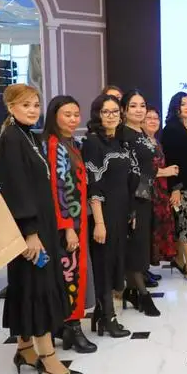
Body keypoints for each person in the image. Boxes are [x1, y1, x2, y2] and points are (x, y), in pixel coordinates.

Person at [0, 83, 81, 374]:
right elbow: (17, 188)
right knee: (38, 285)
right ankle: (48, 357)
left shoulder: (28, 136)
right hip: (29, 228)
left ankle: (24, 349)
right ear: (11, 107)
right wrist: (30, 232)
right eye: (25, 105)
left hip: (41, 224)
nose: (33, 110)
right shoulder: (11, 138)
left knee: (28, 285)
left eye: (35, 104)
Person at [43, 96, 96, 354]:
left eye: (76, 114)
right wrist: (67, 227)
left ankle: (68, 327)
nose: (73, 119)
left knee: (76, 272)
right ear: (54, 116)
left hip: (78, 220)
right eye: (67, 114)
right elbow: (58, 189)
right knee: (70, 273)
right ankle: (72, 328)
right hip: (68, 224)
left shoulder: (71, 143)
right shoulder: (55, 146)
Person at [82, 94, 132, 338]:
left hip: (120, 212)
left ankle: (104, 313)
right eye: (106, 112)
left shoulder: (119, 140)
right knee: (103, 263)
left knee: (114, 263)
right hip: (103, 213)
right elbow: (94, 184)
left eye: (115, 111)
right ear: (97, 115)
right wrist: (99, 222)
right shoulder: (93, 142)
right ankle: (107, 317)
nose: (111, 116)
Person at [118, 90, 161, 317]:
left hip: (145, 194)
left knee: (140, 245)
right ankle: (143, 296)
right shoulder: (123, 134)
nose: (139, 110)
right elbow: (125, 173)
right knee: (134, 247)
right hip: (131, 198)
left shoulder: (141, 132)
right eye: (133, 106)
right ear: (124, 110)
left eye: (142, 105)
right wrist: (130, 207)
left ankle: (132, 291)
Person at [162, 92, 187, 283]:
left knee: (184, 223)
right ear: (175, 107)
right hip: (180, 185)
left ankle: (178, 259)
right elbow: (170, 159)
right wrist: (175, 188)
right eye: (183, 103)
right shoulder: (171, 129)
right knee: (186, 224)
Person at [144, 106, 179, 268]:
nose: (153, 121)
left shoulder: (156, 141)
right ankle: (142, 272)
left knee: (158, 230)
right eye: (149, 118)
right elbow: (143, 169)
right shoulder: (141, 142)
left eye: (156, 118)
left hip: (161, 192)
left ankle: (147, 269)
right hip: (147, 192)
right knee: (148, 231)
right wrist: (165, 171)